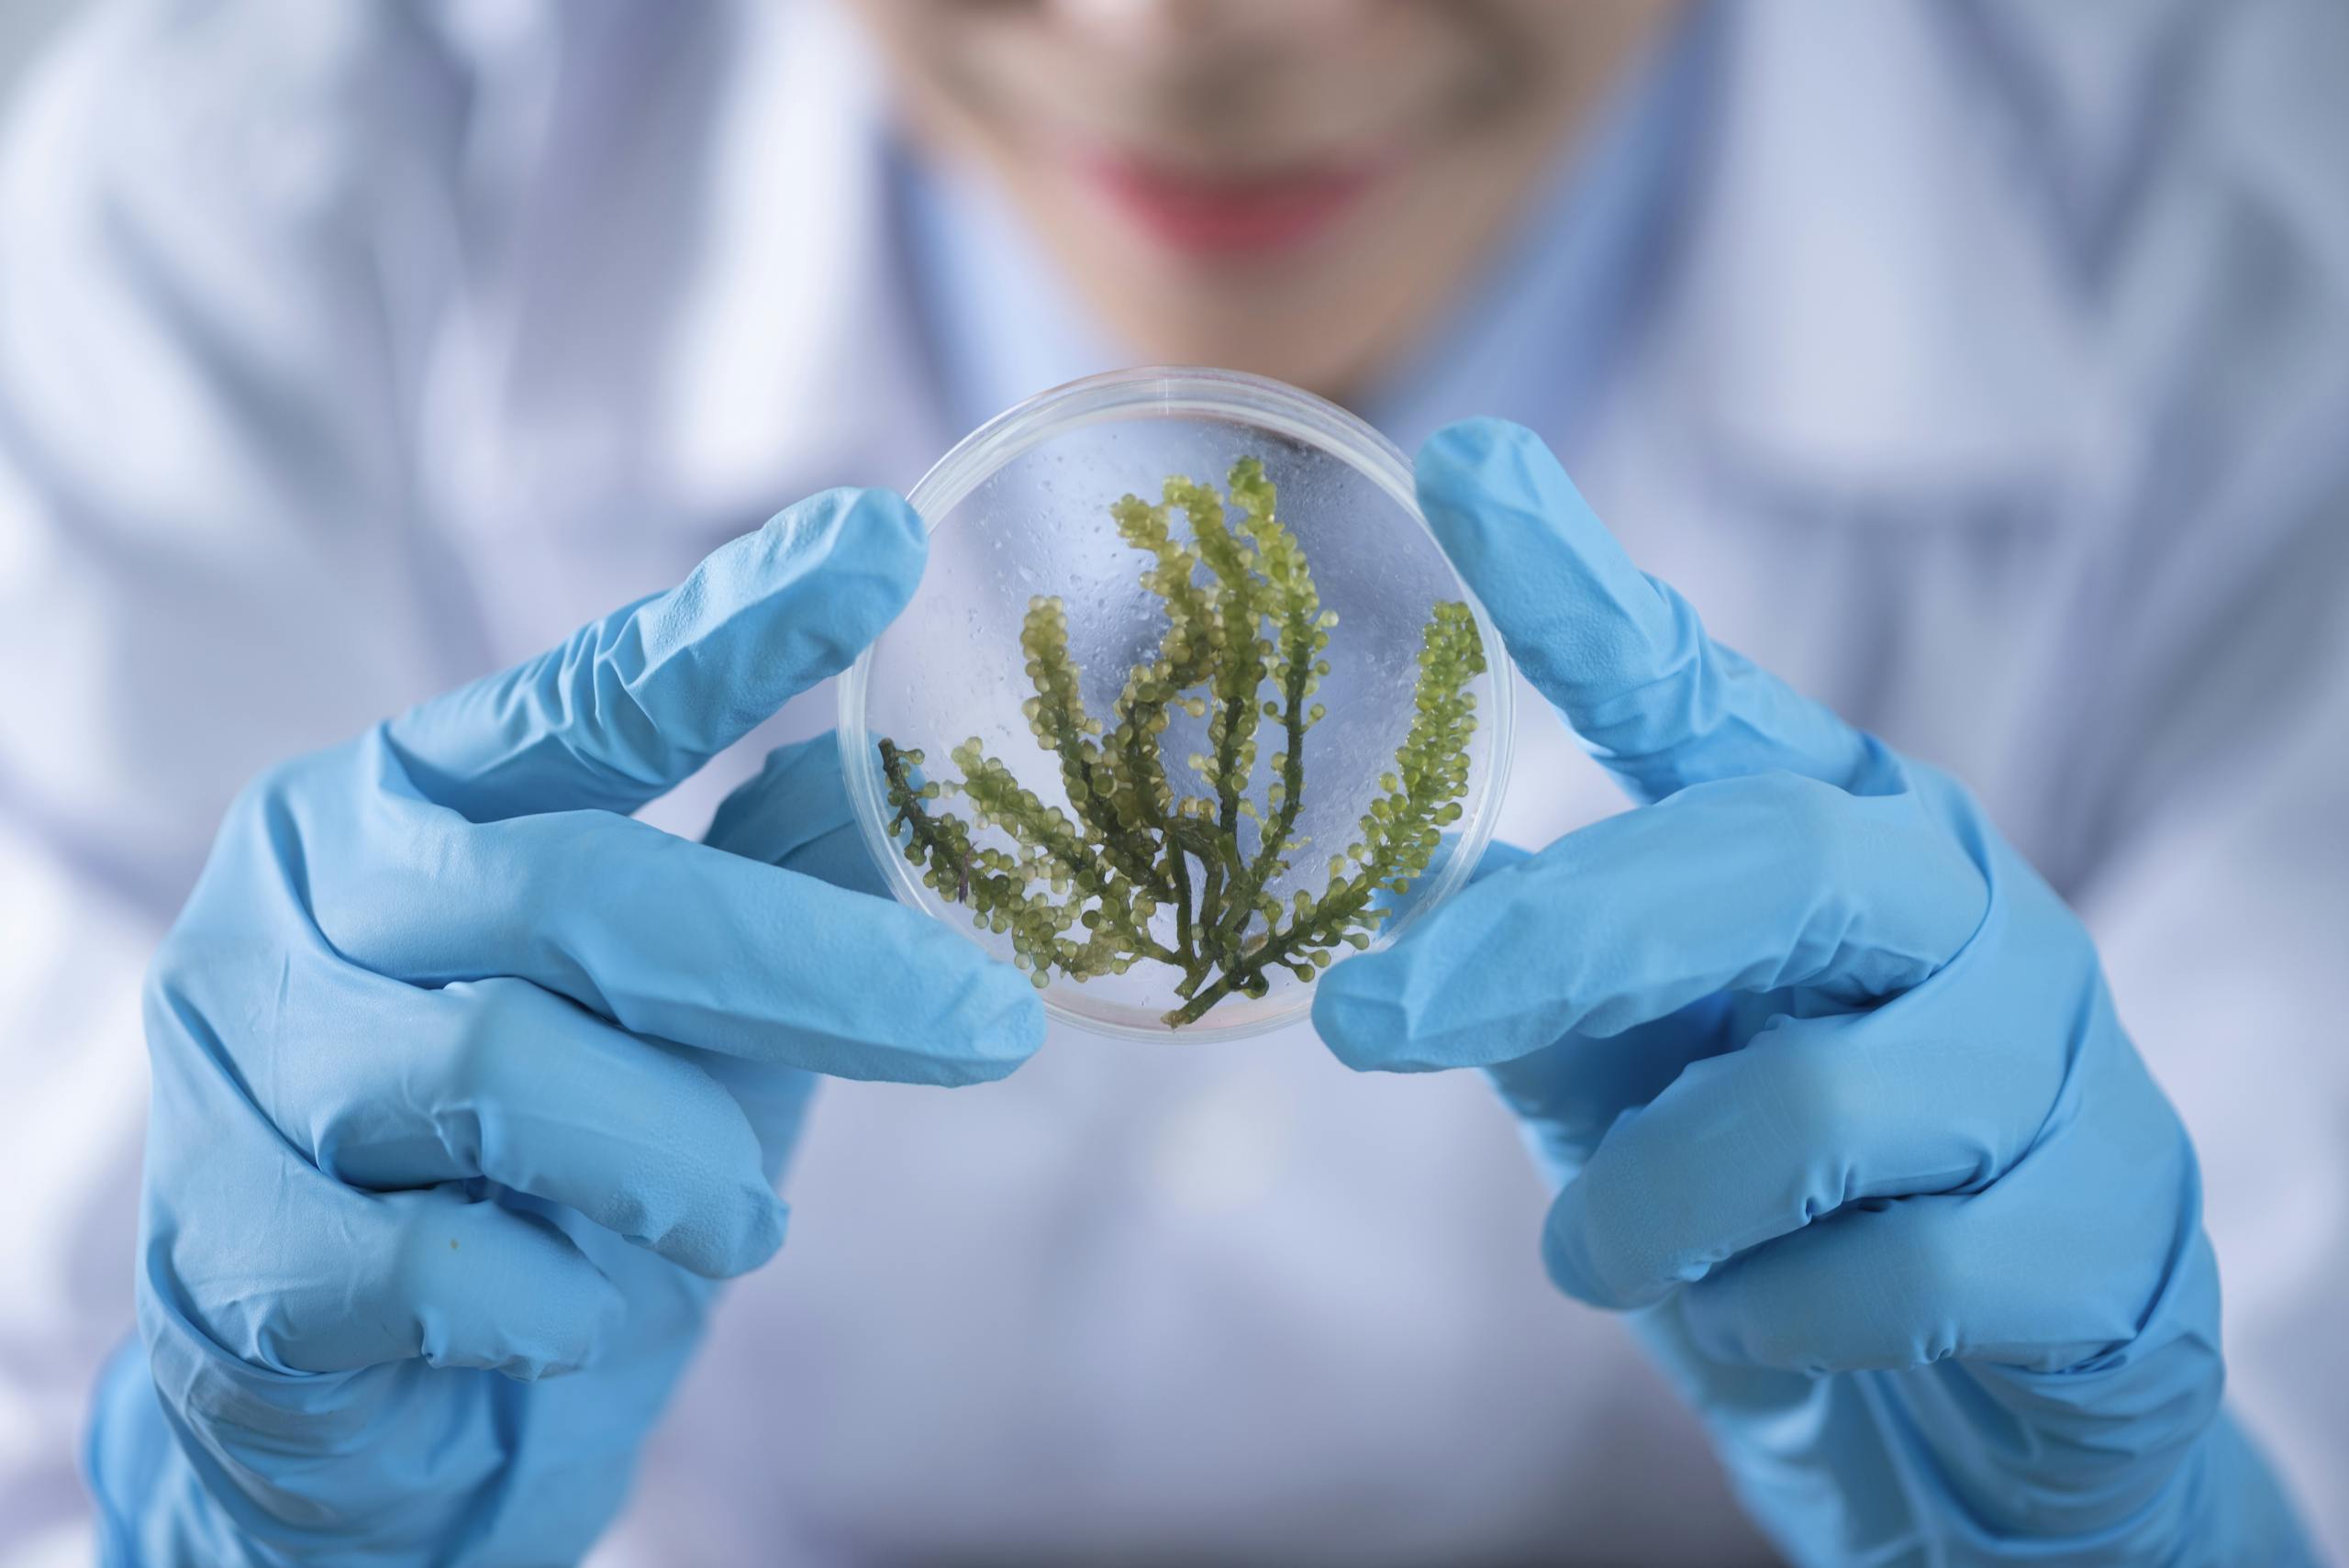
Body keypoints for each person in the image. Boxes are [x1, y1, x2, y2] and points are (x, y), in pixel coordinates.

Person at [1, 1, 2343, 1562]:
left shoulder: (2256, 242)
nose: (1185, 41)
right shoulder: (262, 188)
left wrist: (2176, 1535)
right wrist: (216, 1521)